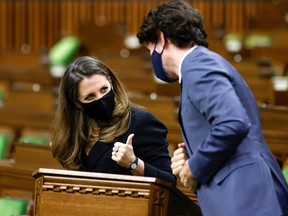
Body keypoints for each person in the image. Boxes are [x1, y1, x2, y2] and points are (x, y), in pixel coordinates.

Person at [137, 0, 288, 215]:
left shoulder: (197, 65)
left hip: (245, 197)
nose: (153, 57)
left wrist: (194, 167)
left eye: (151, 49)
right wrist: (190, 154)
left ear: (161, 39)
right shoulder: (201, 64)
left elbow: (232, 122)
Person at [50, 56, 176, 185]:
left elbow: (169, 181)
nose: (101, 99)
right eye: (90, 96)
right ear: (76, 103)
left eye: (104, 89)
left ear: (111, 83)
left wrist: (133, 163)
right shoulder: (78, 131)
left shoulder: (141, 121)